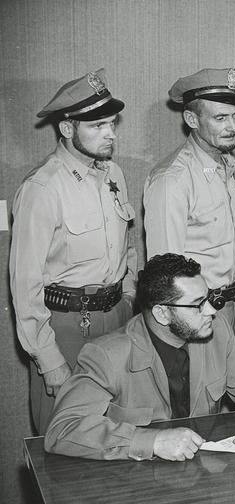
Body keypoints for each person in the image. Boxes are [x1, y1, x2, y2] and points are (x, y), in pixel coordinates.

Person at [45, 253, 235, 461]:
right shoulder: (107, 355)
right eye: (198, 304)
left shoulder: (217, 333)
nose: (212, 310)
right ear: (162, 314)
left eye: (209, 297)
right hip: (134, 486)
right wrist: (152, 441)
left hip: (200, 475)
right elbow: (61, 430)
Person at [10, 69, 137, 434]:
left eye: (112, 123)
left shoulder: (113, 173)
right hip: (66, 328)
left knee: (119, 429)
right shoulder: (42, 189)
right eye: (97, 125)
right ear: (67, 129)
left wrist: (128, 297)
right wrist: (48, 359)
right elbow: (25, 282)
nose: (111, 133)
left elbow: (126, 245)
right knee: (67, 437)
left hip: (116, 320)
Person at [143, 67, 235, 351]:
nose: (232, 127)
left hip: (229, 308)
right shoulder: (173, 180)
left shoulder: (231, 166)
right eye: (220, 118)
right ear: (192, 119)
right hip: (193, 318)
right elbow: (164, 276)